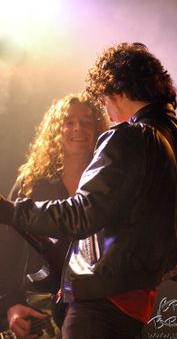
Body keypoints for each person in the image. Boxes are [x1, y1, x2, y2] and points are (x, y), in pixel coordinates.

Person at [0, 42, 177, 339]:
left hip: (99, 303)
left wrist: (10, 211)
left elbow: (81, 216)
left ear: (116, 91)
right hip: (136, 306)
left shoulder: (127, 137)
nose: (109, 115)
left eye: (104, 102)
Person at [0, 92, 108, 338]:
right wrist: (11, 304)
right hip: (40, 311)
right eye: (68, 122)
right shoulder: (30, 184)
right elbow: (4, 249)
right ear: (55, 131)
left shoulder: (110, 186)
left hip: (98, 310)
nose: (78, 128)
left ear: (99, 130)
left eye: (87, 121)